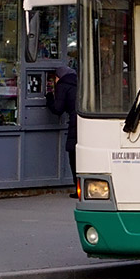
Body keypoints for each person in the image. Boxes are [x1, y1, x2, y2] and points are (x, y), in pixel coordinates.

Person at [46, 65, 78, 197]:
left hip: (75, 125)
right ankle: (84, 188)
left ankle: (78, 189)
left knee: (73, 157)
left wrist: (49, 98)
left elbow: (58, 109)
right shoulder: (79, 82)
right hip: (86, 122)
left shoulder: (62, 85)